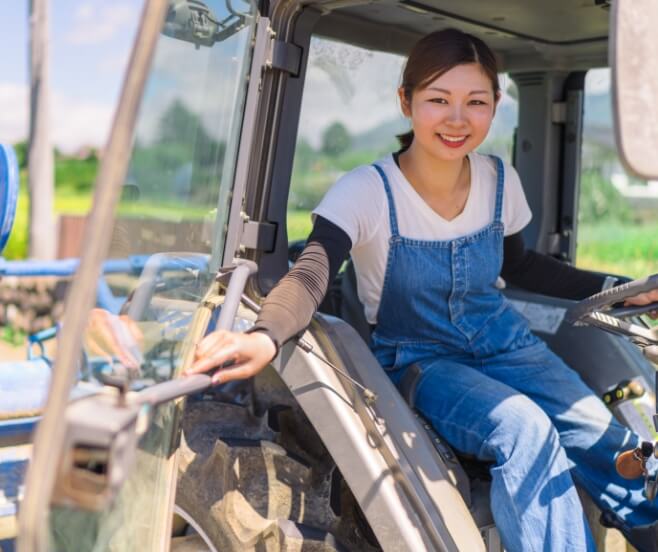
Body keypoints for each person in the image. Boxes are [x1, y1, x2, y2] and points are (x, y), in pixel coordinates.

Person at [183, 29, 658, 551]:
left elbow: (521, 266)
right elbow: (312, 272)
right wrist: (265, 336)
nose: (457, 119)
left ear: (495, 105)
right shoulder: (367, 191)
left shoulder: (500, 180)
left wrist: (618, 288)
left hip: (507, 346)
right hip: (421, 361)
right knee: (525, 429)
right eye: (438, 100)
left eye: (475, 102)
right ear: (406, 102)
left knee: (606, 439)